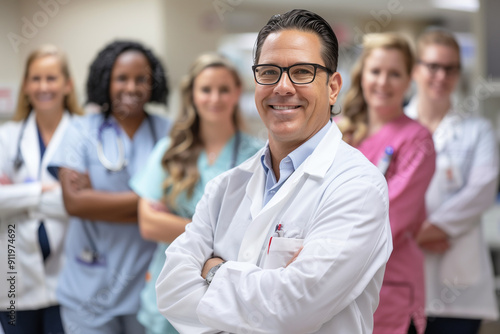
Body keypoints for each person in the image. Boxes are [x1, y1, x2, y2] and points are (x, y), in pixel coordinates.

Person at [156, 9, 392, 333]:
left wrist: (213, 272)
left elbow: (293, 309)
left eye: (302, 72)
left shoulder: (357, 187)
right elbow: (170, 290)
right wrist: (269, 288)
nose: (282, 87)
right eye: (268, 72)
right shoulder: (225, 187)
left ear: (333, 86)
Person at [129, 53, 263, 334]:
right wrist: (219, 236)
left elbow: (257, 232)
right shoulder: (169, 152)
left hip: (225, 293)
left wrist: (175, 225)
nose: (215, 98)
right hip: (169, 289)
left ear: (238, 92)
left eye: (224, 89)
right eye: (206, 89)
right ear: (192, 94)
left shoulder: (258, 155)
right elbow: (149, 224)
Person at [49, 41, 170, 334]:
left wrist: (97, 199)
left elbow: (179, 202)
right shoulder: (80, 130)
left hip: (149, 287)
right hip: (89, 289)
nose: (132, 87)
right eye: (122, 78)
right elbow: (75, 204)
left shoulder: (169, 131)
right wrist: (148, 205)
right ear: (106, 81)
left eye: (141, 79)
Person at [338, 32, 436, 334]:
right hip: (333, 284)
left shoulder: (418, 140)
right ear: (361, 75)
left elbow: (388, 218)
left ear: (409, 81)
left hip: (388, 286)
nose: (383, 82)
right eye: (376, 71)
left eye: (395, 74)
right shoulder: (339, 133)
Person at [406, 29, 499, 334]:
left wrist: (425, 231)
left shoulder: (477, 130)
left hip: (459, 286)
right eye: (433, 66)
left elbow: (482, 190)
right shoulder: (395, 129)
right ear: (416, 69)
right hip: (402, 282)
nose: (441, 75)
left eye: (450, 68)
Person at [0, 44, 83, 334]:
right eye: (36, 78)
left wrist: (17, 196)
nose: (43, 86)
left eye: (51, 78)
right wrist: (42, 191)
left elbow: (83, 203)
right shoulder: (7, 137)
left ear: (67, 84)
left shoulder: (84, 135)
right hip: (13, 277)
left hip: (69, 273)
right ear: (25, 85)